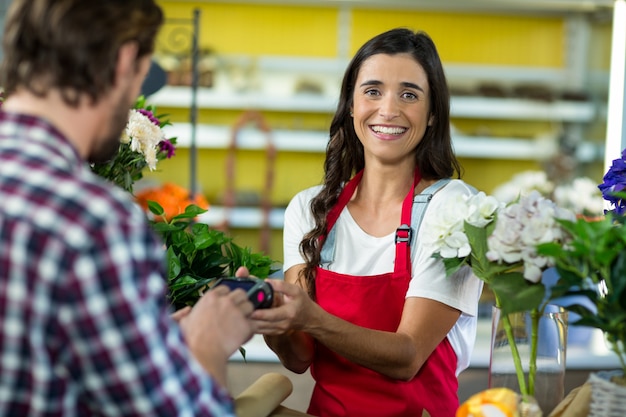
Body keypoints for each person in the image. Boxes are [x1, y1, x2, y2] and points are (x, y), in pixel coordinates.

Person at [0, 1, 254, 415]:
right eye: (141, 76)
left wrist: (142, 342)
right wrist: (209, 341)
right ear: (123, 61)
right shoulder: (94, 224)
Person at [252, 28, 483, 417]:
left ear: (431, 116)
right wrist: (271, 318)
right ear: (351, 106)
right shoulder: (310, 209)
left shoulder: (455, 210)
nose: (388, 110)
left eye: (409, 95)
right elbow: (300, 357)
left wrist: (311, 316)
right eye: (372, 91)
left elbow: (407, 356)